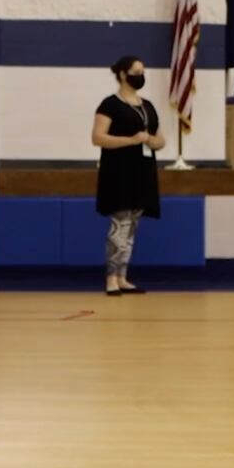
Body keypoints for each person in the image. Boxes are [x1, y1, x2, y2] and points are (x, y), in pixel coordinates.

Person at [92, 55, 164, 296]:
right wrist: (131, 140)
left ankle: (123, 275)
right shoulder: (109, 105)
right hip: (119, 171)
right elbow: (98, 137)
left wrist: (153, 141)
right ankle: (111, 277)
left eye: (142, 71)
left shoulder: (148, 106)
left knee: (132, 226)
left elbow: (160, 139)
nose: (140, 76)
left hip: (143, 171)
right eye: (136, 71)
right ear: (123, 74)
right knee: (120, 224)